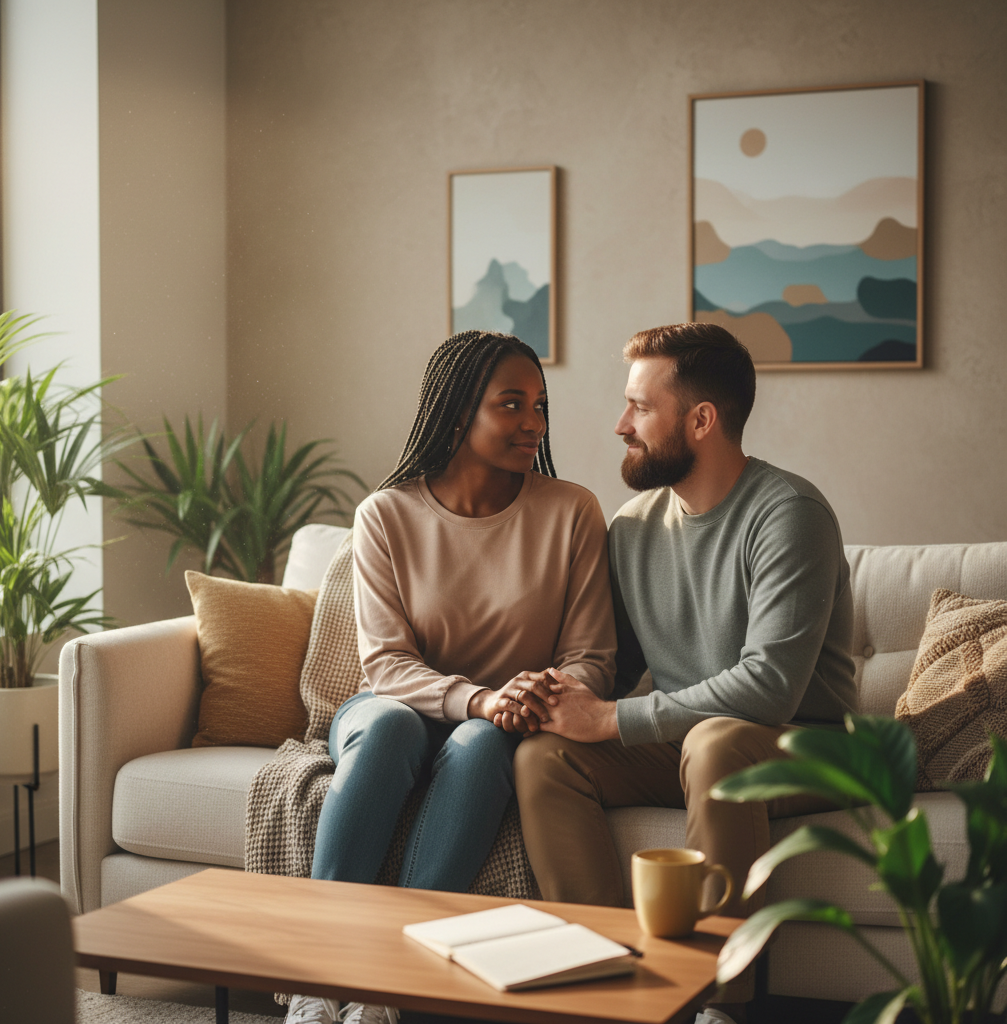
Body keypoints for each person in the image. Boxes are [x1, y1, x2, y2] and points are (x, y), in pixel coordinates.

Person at [514, 322, 857, 1024]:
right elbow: (614, 666)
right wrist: (549, 691)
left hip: (807, 742)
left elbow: (769, 687)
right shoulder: (634, 528)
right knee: (544, 758)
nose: (620, 425)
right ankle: (601, 981)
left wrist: (611, 719)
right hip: (696, 741)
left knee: (718, 744)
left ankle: (716, 1003)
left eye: (639, 407)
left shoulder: (789, 513)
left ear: (700, 420)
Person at [286, 330, 616, 1024]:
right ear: (458, 411)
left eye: (541, 405)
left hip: (504, 725)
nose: (534, 422)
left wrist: (529, 698)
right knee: (390, 728)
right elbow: (385, 664)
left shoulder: (573, 511)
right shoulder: (387, 514)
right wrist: (483, 697)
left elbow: (592, 656)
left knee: (484, 744)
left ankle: (388, 989)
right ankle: (321, 977)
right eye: (512, 404)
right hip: (391, 706)